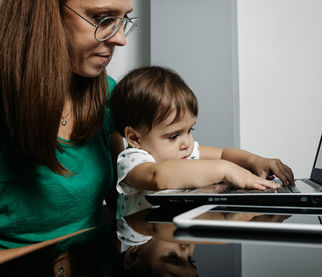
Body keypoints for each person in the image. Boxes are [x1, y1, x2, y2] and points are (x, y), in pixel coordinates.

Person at [0, 0, 135, 249]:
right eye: (103, 19)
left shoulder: (107, 93)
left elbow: (122, 199)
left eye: (123, 20)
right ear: (46, 16)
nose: (120, 39)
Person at [109, 66, 295, 222]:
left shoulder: (182, 153)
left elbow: (222, 154)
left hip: (174, 230)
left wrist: (256, 161)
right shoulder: (132, 160)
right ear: (135, 138)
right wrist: (225, 170)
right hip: (147, 255)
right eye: (173, 136)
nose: (186, 143)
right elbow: (158, 177)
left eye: (190, 130)